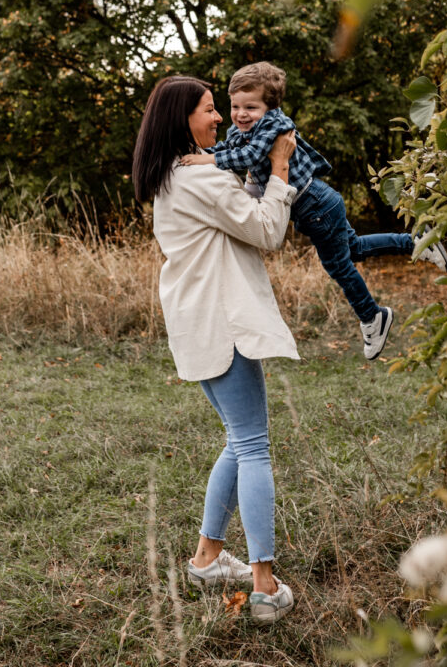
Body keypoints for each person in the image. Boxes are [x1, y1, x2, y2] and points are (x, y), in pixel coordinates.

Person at [132, 74, 300, 624]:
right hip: (221, 323)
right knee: (254, 446)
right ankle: (264, 586)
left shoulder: (173, 176)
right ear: (183, 119)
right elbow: (268, 230)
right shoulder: (200, 180)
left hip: (196, 322)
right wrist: (278, 170)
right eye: (209, 110)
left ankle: (206, 558)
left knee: (240, 439)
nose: (220, 119)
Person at [181, 61, 447, 361]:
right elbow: (227, 149)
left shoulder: (274, 125)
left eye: (251, 107)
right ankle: (416, 242)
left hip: (315, 204)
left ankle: (372, 316)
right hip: (317, 202)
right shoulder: (241, 128)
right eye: (235, 106)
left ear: (269, 108)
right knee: (355, 249)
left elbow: (250, 156)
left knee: (338, 266)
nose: (241, 114)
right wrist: (200, 154)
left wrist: (206, 162)